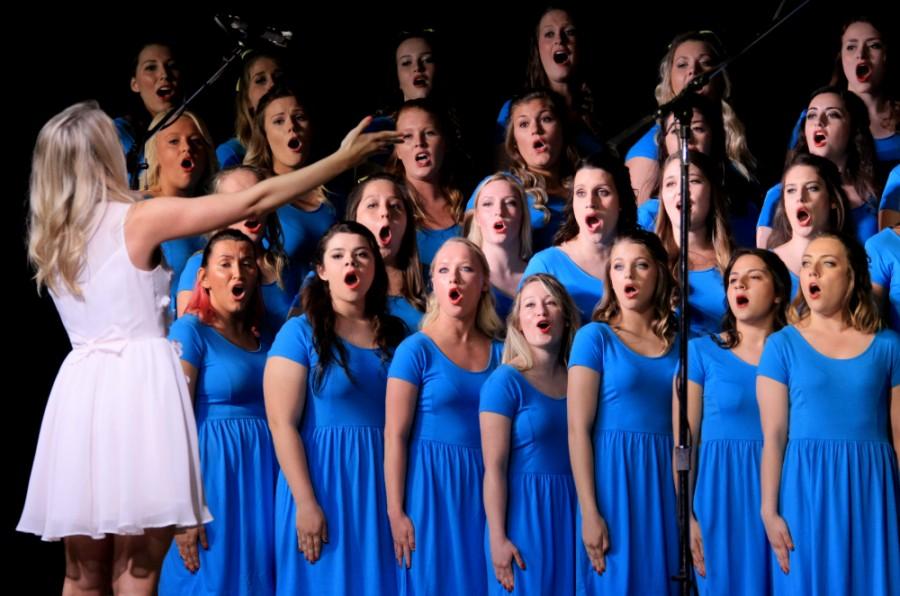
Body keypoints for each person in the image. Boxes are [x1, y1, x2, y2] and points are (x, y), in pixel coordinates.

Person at [17, 100, 398, 593]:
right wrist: (340, 161)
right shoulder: (137, 219)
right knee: (137, 567)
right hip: (137, 386)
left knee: (81, 571)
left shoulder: (55, 231)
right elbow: (249, 203)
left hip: (82, 393)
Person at [265, 222, 406, 594]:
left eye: (362, 255)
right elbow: (281, 424)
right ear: (323, 270)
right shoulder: (299, 333)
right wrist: (306, 502)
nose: (352, 264)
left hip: (382, 487)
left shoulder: (399, 336)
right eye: (339, 255)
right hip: (323, 483)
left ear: (375, 266)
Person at [757, 232, 900, 595]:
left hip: (873, 491)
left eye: (828, 263)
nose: (813, 272)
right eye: (806, 264)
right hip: (806, 491)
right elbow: (773, 437)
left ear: (852, 278)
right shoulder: (781, 345)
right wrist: (769, 511)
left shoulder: (889, 346)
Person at [159, 229, 278, 595]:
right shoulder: (190, 331)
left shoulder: (269, 342)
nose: (237, 273)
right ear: (204, 278)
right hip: (212, 482)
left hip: (263, 479)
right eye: (224, 264)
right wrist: (181, 511)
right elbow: (170, 422)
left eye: (246, 263)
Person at [385, 238, 504, 595]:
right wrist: (396, 511)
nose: (454, 278)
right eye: (443, 270)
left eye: (466, 269)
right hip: (430, 492)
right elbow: (394, 435)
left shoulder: (503, 353)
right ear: (433, 282)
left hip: (485, 491)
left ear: (484, 281)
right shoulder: (415, 349)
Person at [568, 230, 680, 595]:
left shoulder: (683, 344)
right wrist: (589, 511)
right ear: (609, 277)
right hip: (613, 481)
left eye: (641, 265)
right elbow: (577, 430)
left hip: (666, 478)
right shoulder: (594, 338)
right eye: (618, 266)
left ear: (659, 274)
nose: (628, 275)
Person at [678, 249, 790, 595]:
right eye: (733, 279)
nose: (739, 283)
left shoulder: (797, 352)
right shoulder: (700, 352)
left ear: (778, 293)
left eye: (754, 276)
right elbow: (685, 441)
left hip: (785, 493)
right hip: (719, 496)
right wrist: (687, 518)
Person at [480, 273, 579, 594]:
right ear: (519, 322)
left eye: (551, 303)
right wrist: (497, 537)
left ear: (565, 317)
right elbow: (493, 469)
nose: (542, 312)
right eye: (531, 305)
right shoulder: (505, 382)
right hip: (525, 516)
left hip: (572, 513)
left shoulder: (581, 381)